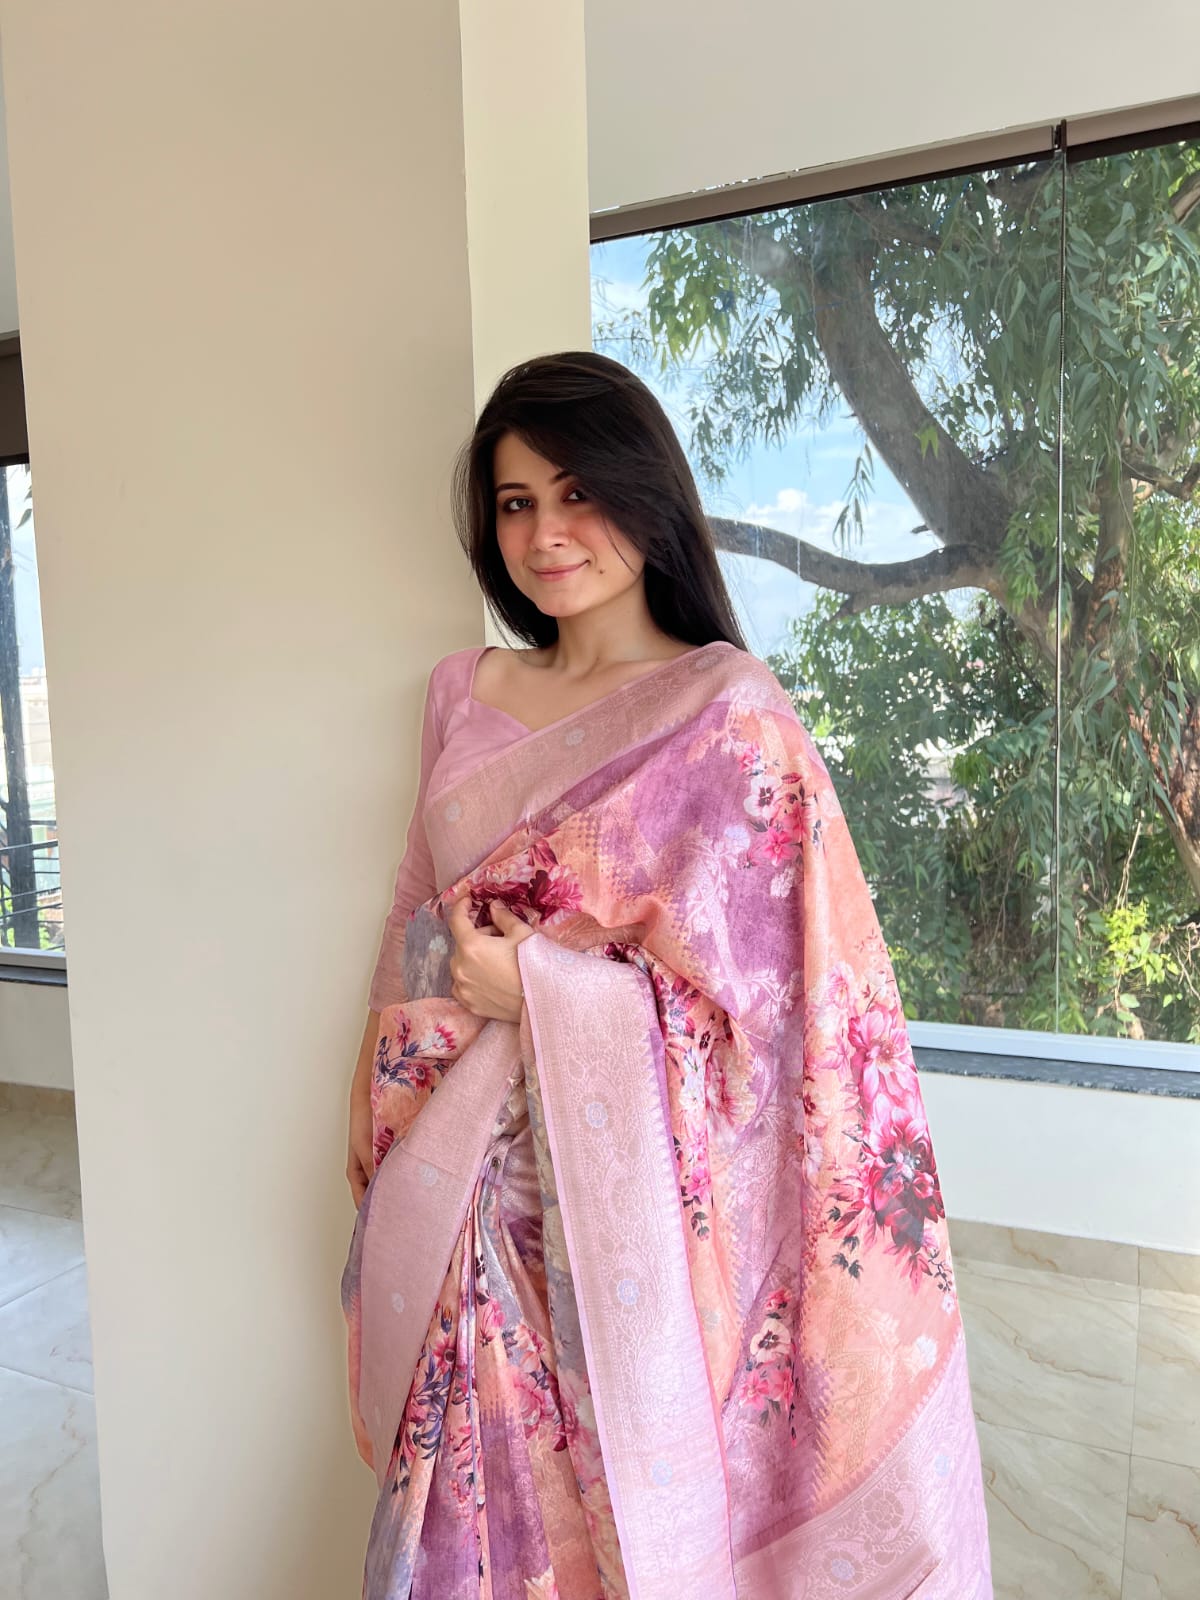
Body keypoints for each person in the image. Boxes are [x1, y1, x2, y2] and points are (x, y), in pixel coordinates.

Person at [342, 351, 993, 1600]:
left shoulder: (726, 709)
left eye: (578, 491)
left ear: (645, 495)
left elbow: (791, 1010)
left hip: (624, 1210)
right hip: (459, 1177)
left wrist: (542, 991)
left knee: (613, 1523)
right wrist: (365, 1083)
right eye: (516, 502)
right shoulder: (461, 691)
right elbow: (411, 904)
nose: (546, 533)